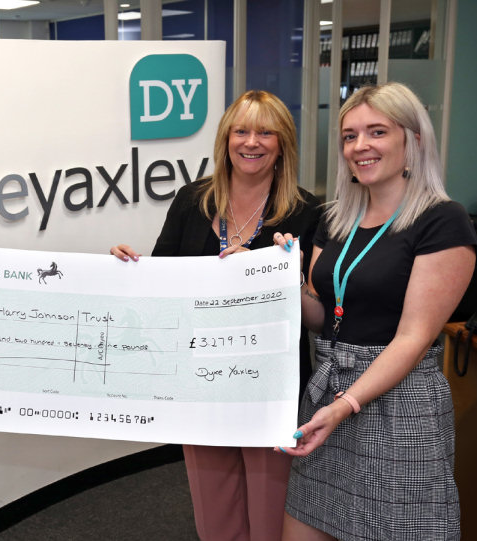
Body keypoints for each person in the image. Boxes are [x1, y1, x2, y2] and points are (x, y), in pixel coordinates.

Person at [111, 90, 321, 541]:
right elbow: (162, 280)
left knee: (270, 515)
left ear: (283, 144)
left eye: (265, 132)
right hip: (199, 382)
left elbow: (317, 311)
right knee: (214, 514)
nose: (252, 142)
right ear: (226, 139)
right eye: (241, 131)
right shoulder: (192, 201)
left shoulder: (307, 213)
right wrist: (127, 268)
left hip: (269, 389)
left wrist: (274, 274)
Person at [275, 82, 477, 541]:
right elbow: (323, 319)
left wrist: (345, 405)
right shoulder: (334, 218)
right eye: (349, 136)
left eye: (377, 132)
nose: (360, 145)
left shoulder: (443, 220)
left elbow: (413, 338)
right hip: (328, 394)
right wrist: (282, 279)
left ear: (414, 140)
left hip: (398, 407)